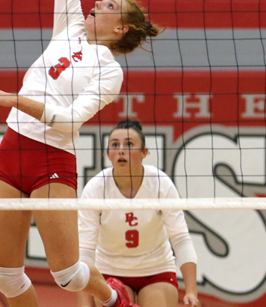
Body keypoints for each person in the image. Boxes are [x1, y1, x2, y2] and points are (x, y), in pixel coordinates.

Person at [0, 0, 160, 307]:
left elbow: (71, 121)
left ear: (121, 28)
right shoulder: (70, 27)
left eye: (109, 6)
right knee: (4, 275)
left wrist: (15, 99)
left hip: (51, 158)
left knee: (67, 275)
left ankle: (113, 298)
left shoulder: (109, 71)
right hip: (13, 146)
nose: (96, 3)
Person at [78, 120, 200, 307]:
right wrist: (85, 304)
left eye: (129, 144)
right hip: (109, 270)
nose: (121, 150)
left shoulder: (160, 183)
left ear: (144, 152)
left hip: (156, 268)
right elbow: (85, 251)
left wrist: (191, 291)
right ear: (108, 154)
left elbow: (180, 239)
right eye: (115, 145)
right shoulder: (95, 188)